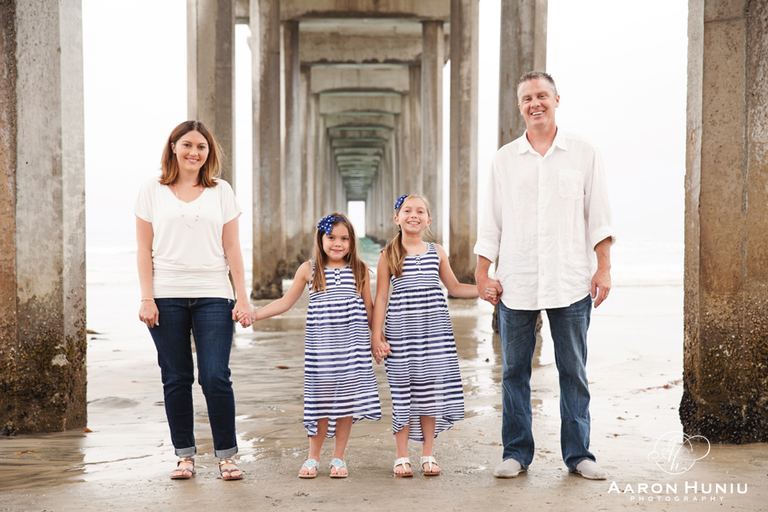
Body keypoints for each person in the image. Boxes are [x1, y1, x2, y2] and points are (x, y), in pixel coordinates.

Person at [474, 71, 614, 480]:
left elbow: (598, 217)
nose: (534, 103)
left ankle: (579, 454)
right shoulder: (504, 159)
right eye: (526, 98)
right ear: (519, 106)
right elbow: (491, 222)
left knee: (574, 371)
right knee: (514, 372)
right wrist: (483, 272)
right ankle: (516, 452)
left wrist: (603, 267)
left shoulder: (584, 153)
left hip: (570, 278)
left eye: (541, 96)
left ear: (556, 100)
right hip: (516, 281)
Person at [135, 120, 253, 481]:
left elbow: (232, 247)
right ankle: (185, 456)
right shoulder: (151, 190)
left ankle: (226, 456)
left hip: (214, 295)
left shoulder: (221, 191)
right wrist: (146, 298)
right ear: (174, 147)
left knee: (216, 376)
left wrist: (242, 298)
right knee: (176, 377)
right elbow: (143, 249)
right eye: (187, 145)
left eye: (201, 147)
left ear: (208, 153)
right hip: (166, 295)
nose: (194, 152)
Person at [250, 213, 380, 479]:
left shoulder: (360, 269)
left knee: (345, 405)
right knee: (320, 403)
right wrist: (255, 313)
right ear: (320, 239)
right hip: (321, 352)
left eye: (344, 238)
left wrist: (379, 338)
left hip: (352, 350)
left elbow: (370, 311)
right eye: (331, 237)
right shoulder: (309, 269)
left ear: (352, 242)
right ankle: (313, 456)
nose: (337, 243)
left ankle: (338, 458)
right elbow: (285, 303)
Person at [371, 194, 488, 477]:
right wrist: (377, 335)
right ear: (396, 219)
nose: (414, 215)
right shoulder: (388, 254)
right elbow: (382, 298)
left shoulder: (437, 251)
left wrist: (486, 289)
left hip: (434, 332)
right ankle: (401, 456)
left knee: (429, 391)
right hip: (401, 332)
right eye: (407, 210)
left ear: (428, 219)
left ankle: (427, 453)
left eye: (420, 211)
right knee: (402, 392)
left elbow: (456, 288)